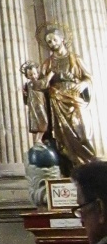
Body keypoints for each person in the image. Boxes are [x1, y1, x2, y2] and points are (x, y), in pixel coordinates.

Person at [38, 24, 95, 172]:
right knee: (62, 138)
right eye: (49, 42)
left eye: (54, 40)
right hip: (56, 101)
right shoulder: (48, 63)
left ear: (62, 39)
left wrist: (83, 84)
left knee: (83, 133)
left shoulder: (75, 58)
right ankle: (72, 168)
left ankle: (90, 166)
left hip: (75, 98)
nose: (52, 44)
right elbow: (41, 84)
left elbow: (88, 77)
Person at [20, 60, 49, 144]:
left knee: (42, 122)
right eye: (30, 75)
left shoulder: (29, 85)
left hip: (40, 104)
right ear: (27, 76)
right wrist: (50, 75)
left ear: (37, 73)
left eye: (34, 74)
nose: (33, 76)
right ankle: (38, 139)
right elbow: (44, 84)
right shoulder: (32, 84)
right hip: (37, 106)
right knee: (43, 122)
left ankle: (39, 139)